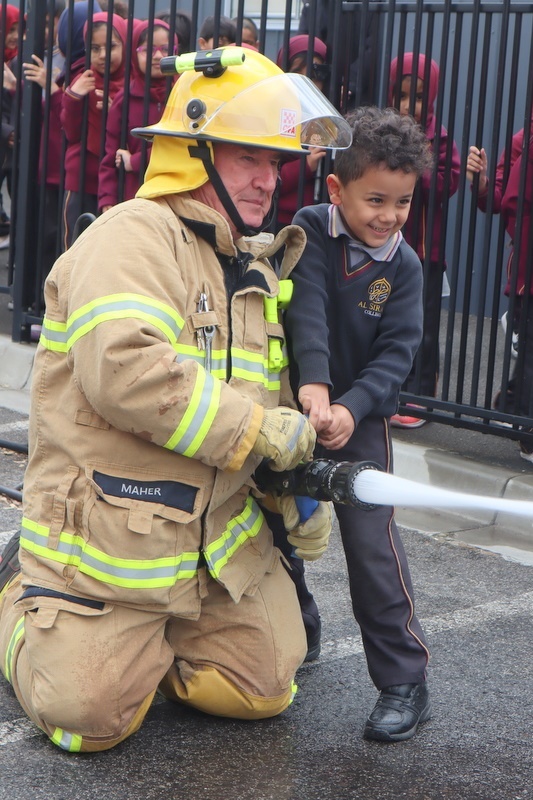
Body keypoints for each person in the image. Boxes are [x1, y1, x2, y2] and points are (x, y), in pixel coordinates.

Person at [0, 46, 352, 753]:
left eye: (274, 163)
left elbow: (270, 398)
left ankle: (145, 648)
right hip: (109, 547)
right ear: (192, 152)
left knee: (263, 691)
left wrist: (293, 492)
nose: (266, 179)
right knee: (88, 720)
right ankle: (16, 597)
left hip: (212, 556)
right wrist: (256, 430)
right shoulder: (132, 236)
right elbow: (128, 370)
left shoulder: (247, 259)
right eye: (246, 157)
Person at [284, 106, 434, 742]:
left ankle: (404, 681)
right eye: (375, 199)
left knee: (373, 548)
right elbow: (307, 307)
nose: (389, 216)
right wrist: (313, 386)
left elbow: (396, 357)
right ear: (335, 189)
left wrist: (350, 406)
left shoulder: (405, 268)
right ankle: (296, 631)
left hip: (362, 420)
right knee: (270, 529)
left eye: (402, 202)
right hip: (294, 411)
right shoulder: (309, 230)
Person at [388, 53, 460, 428]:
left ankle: (419, 395)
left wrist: (414, 171)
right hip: (386, 242)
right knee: (385, 317)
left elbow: (449, 180)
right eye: (401, 95)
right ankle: (390, 390)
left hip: (424, 246)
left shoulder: (439, 135)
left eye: (417, 96)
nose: (407, 105)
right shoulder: (385, 130)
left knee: (422, 324)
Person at [467, 133, 533, 462]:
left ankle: (513, 399)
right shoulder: (523, 138)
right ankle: (523, 424)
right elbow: (495, 200)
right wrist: (481, 183)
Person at [60, 10, 126, 249]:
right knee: (76, 247)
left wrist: (116, 110)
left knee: (110, 248)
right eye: (95, 48)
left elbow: (134, 135)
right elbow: (71, 133)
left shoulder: (133, 83)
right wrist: (73, 98)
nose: (103, 55)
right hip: (82, 178)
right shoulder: (83, 78)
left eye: (111, 46)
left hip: (117, 182)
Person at [98, 19, 177, 212]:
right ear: (134, 53)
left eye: (166, 49)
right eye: (148, 50)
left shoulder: (183, 93)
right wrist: (107, 198)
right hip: (134, 196)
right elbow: (110, 153)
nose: (158, 56)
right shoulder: (124, 98)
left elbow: (177, 146)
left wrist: (134, 161)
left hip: (175, 195)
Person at [274, 35, 329, 231]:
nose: (306, 82)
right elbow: (269, 174)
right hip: (276, 219)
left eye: (315, 74)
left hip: (318, 222)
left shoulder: (331, 114)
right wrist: (305, 165)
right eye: (297, 73)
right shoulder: (274, 112)